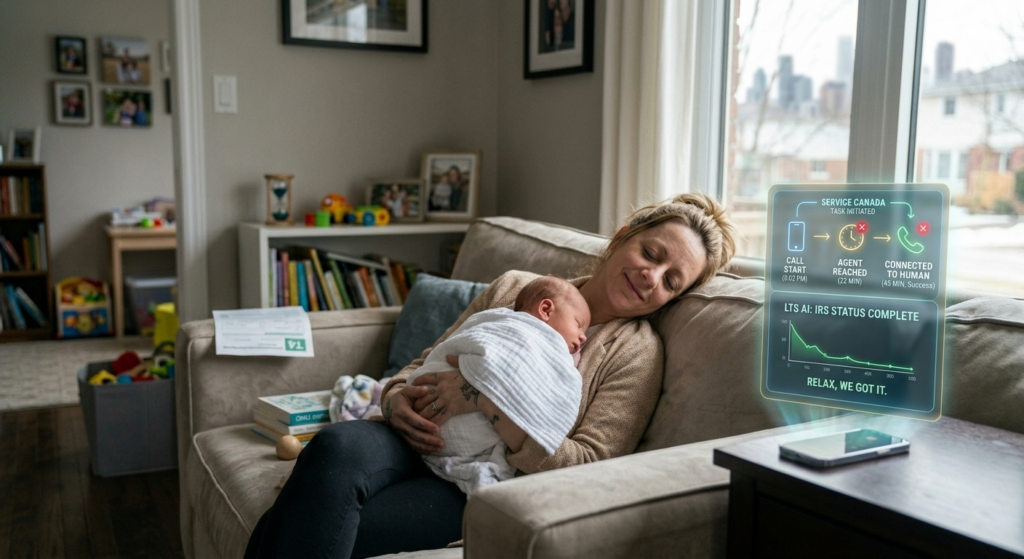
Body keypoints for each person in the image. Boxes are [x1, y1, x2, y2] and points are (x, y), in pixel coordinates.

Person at [245, 193, 738, 559]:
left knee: (296, 521)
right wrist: (396, 400)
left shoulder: (637, 354)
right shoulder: (518, 289)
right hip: (415, 433)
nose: (653, 277)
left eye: (672, 280)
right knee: (334, 448)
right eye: (652, 254)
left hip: (483, 480)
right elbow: (424, 362)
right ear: (624, 238)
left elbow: (590, 463)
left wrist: (485, 398)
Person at [406, 276, 590, 496]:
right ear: (546, 309)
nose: (583, 337)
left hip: (452, 444)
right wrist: (395, 396)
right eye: (578, 324)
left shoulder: (631, 348)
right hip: (412, 415)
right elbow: (458, 346)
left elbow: (584, 463)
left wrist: (481, 393)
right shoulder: (509, 324)